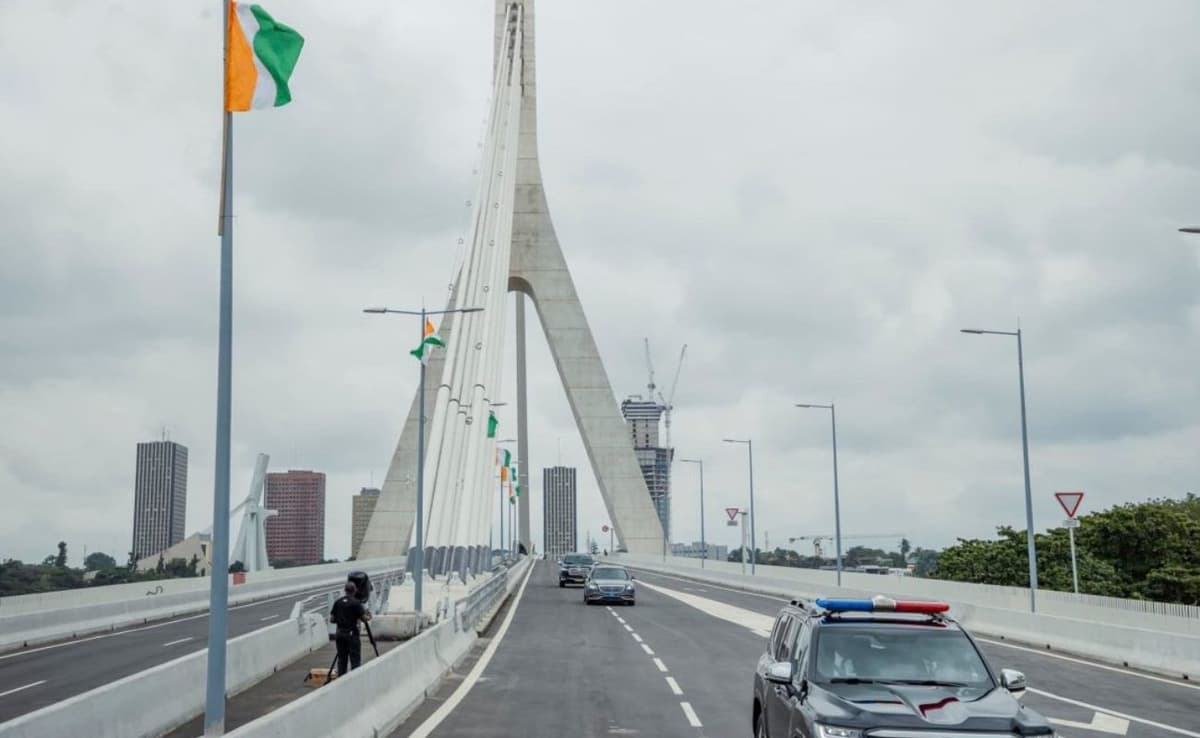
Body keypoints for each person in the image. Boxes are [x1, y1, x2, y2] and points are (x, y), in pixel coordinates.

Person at [329, 582, 371, 675]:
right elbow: (364, 619)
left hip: (339, 634)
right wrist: (368, 616)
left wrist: (341, 619)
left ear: (345, 590)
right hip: (351, 635)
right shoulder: (356, 603)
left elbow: (332, 619)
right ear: (354, 590)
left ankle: (341, 679)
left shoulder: (338, 602)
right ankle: (354, 680)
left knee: (342, 660)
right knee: (355, 660)